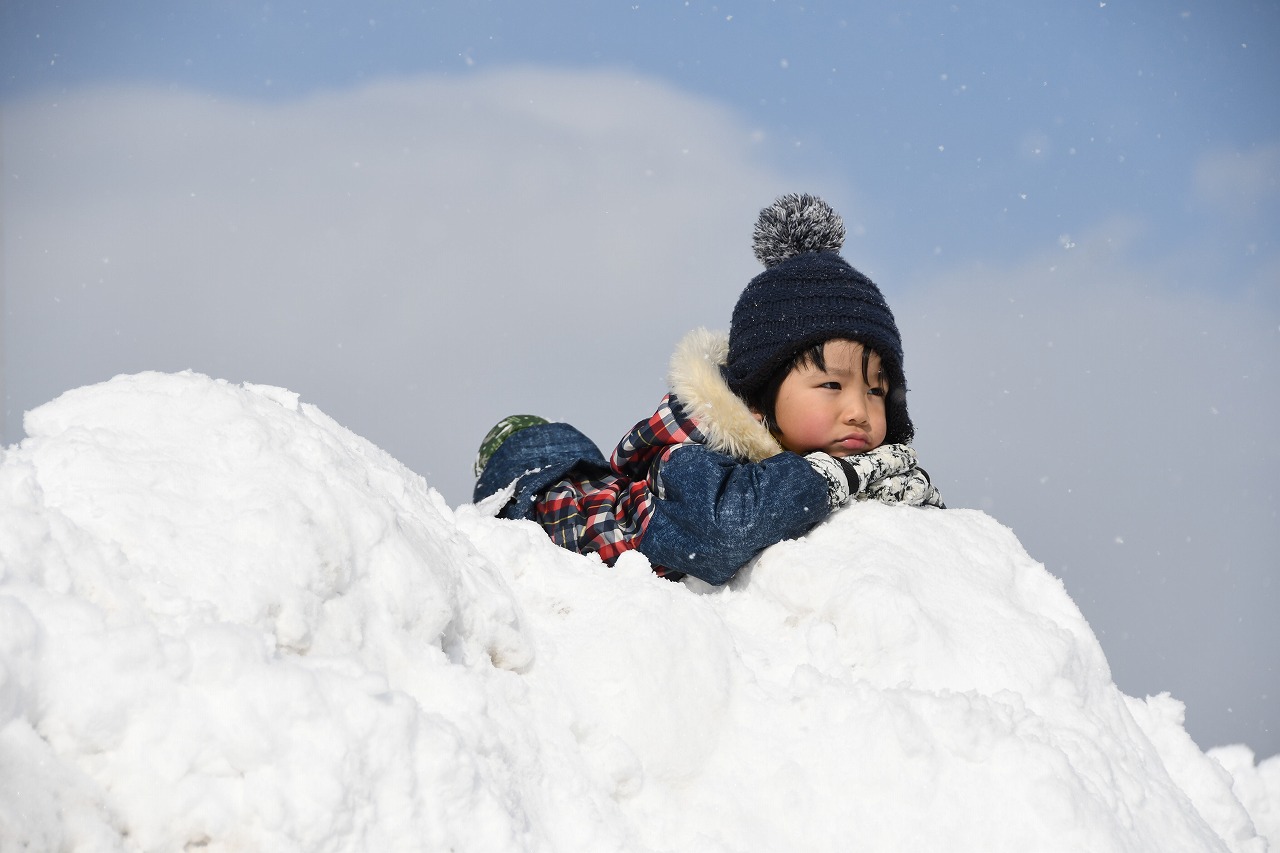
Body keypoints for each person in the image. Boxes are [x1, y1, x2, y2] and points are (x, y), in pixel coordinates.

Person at [472, 193, 943, 585]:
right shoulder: (693, 461)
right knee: (545, 460)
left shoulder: (815, 456)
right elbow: (725, 534)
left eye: (877, 391)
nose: (859, 410)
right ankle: (512, 442)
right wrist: (835, 478)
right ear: (758, 401)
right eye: (831, 384)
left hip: (613, 489)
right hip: (551, 507)